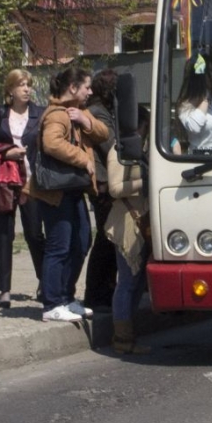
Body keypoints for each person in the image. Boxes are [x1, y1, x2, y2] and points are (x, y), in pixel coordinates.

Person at [29, 66, 109, 322]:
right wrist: (83, 159)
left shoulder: (77, 113)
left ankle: (66, 297)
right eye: (86, 86)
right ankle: (52, 303)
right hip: (55, 192)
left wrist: (86, 121)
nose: (90, 91)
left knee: (82, 241)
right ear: (72, 88)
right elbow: (52, 143)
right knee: (59, 246)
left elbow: (104, 133)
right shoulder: (57, 115)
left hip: (72, 189)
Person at [0, 69, 46, 309]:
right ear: (11, 90)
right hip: (5, 182)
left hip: (32, 181)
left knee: (35, 234)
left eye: (29, 84)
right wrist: (6, 153)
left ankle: (44, 282)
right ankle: (5, 290)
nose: (27, 89)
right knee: (4, 235)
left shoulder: (40, 113)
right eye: (21, 85)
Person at [105, 106, 151, 354]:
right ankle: (122, 339)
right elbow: (114, 188)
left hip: (141, 219)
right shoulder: (118, 150)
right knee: (127, 281)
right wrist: (146, 181)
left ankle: (129, 335)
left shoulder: (142, 150)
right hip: (126, 220)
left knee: (137, 280)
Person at [83, 69, 118, 312]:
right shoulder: (99, 113)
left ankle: (102, 292)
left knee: (106, 238)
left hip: (104, 183)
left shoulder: (99, 111)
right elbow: (113, 147)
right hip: (104, 184)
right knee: (106, 239)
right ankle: (97, 294)